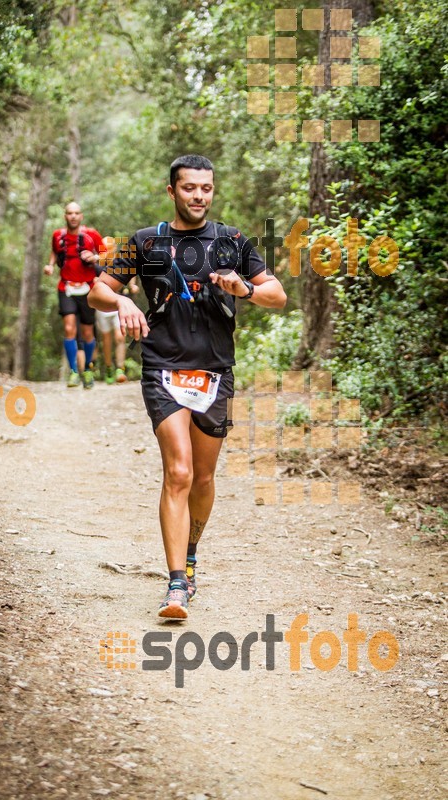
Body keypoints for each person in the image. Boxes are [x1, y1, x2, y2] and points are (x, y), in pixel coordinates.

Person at [89, 154, 287, 619]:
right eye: (189, 188)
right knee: (177, 472)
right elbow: (97, 289)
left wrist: (244, 290)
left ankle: (191, 556)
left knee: (202, 477)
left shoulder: (233, 242)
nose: (198, 196)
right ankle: (176, 583)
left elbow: (277, 295)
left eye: (206, 189)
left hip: (215, 370)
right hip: (162, 367)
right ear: (171, 191)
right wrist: (120, 301)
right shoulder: (145, 242)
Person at [44, 202, 105, 389]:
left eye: (76, 213)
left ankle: (87, 370)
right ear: (65, 216)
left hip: (87, 288)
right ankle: (73, 372)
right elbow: (54, 252)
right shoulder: (58, 235)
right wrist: (50, 265)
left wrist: (94, 258)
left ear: (81, 216)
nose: (73, 216)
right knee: (69, 328)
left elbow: (106, 255)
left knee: (87, 332)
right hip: (66, 287)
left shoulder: (91, 235)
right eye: (70, 213)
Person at [96, 278, 139, 384]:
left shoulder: (122, 261)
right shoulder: (99, 262)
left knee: (120, 336)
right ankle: (109, 368)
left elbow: (131, 268)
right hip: (103, 302)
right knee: (106, 339)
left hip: (120, 300)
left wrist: (132, 285)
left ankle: (120, 369)